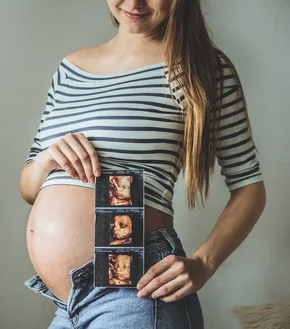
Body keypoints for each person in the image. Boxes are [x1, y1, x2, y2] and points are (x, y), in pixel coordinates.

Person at [20, 1, 267, 328]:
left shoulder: (202, 68)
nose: (135, 2)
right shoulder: (70, 68)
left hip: (134, 288)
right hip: (67, 304)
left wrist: (204, 263)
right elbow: (28, 186)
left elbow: (250, 186)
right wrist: (46, 159)